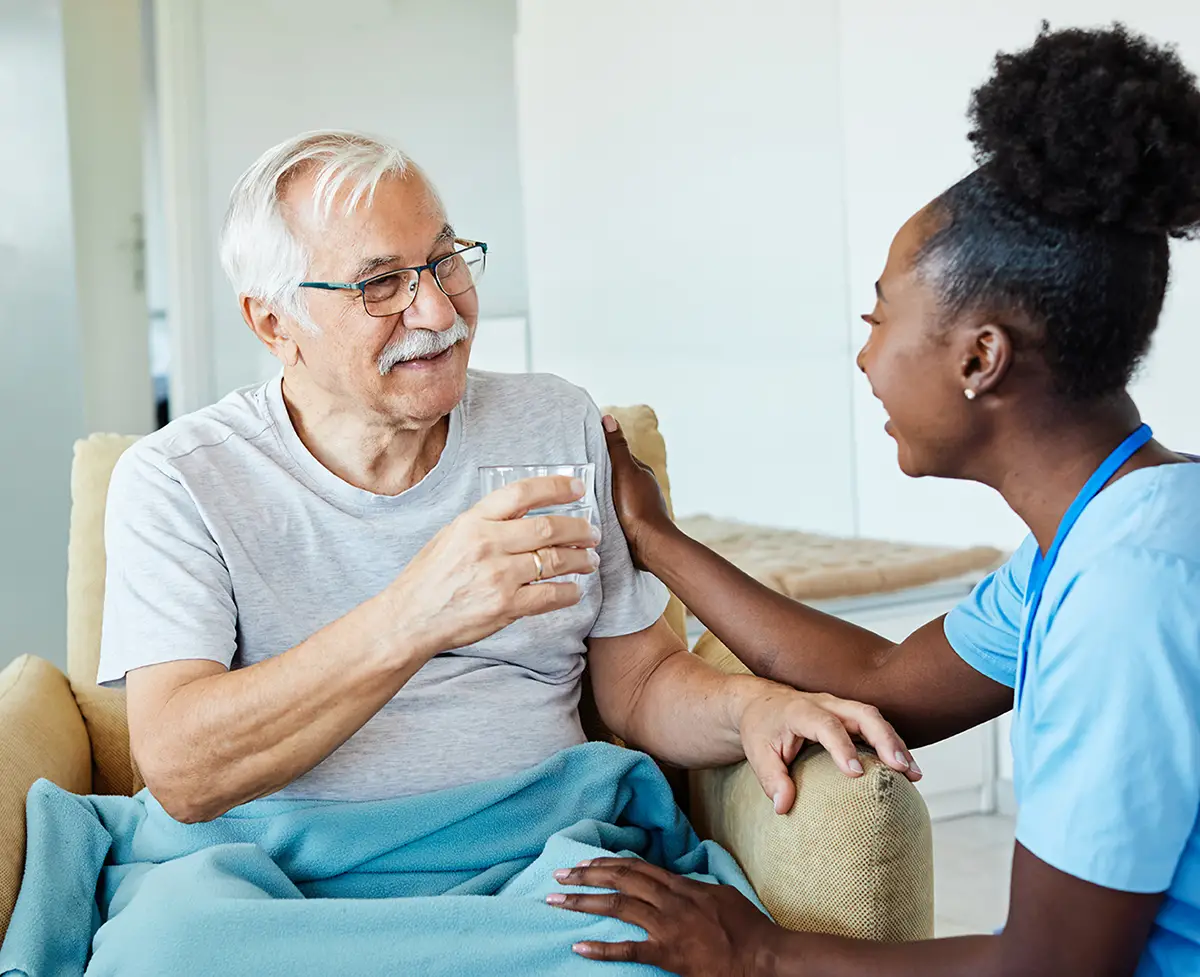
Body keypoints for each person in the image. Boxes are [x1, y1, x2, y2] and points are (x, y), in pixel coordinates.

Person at [548, 23, 1200, 977]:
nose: (865, 356)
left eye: (880, 315)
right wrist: (654, 535)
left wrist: (760, 952)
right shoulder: (1112, 528)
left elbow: (1051, 966)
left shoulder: (1128, 592)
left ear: (980, 357)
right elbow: (884, 676)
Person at [97, 130, 917, 827]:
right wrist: (418, 613)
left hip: (536, 851)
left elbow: (639, 685)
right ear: (275, 322)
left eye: (445, 261)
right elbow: (181, 771)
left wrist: (750, 707)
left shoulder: (555, 423)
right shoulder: (179, 481)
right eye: (381, 284)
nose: (438, 313)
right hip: (284, 870)